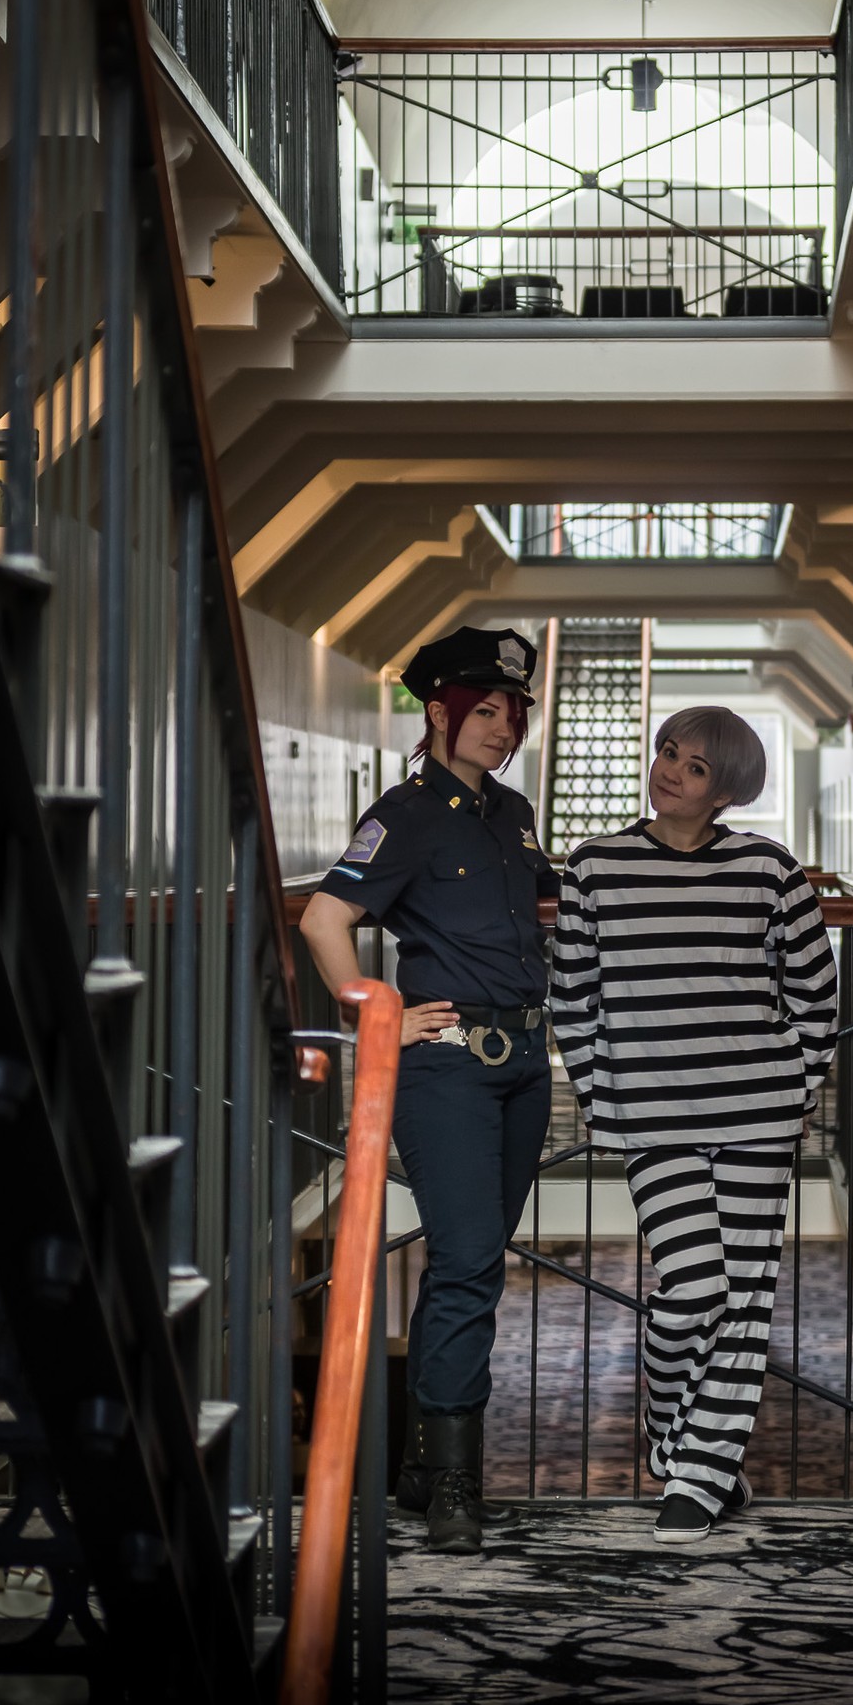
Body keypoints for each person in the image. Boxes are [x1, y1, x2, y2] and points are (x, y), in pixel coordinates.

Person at [550, 706, 837, 1544]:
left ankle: (698, 1475)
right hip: (651, 1118)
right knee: (693, 1289)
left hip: (758, 1111)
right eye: (668, 753)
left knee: (743, 1298)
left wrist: (797, 1085)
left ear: (727, 791)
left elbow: (815, 997)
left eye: (695, 767)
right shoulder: (594, 866)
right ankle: (670, 1427)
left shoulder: (769, 870)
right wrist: (602, 1098)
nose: (670, 771)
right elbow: (572, 998)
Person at [299, 626, 557, 1556]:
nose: (502, 728)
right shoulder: (405, 813)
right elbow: (324, 919)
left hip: (524, 1063)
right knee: (469, 1260)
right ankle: (453, 1480)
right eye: (483, 711)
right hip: (446, 1064)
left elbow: (540, 906)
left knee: (468, 1263)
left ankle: (419, 1466)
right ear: (440, 714)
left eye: (513, 713)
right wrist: (378, 1016)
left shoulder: (512, 813)